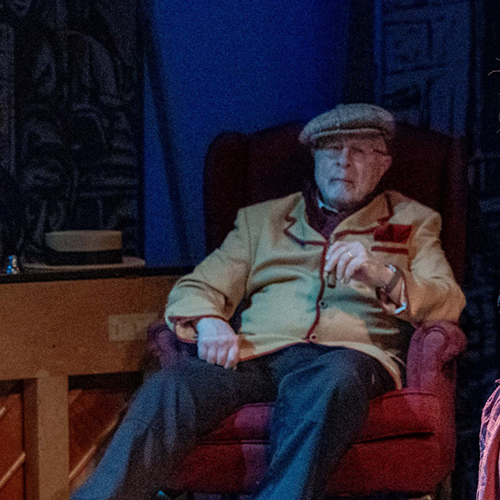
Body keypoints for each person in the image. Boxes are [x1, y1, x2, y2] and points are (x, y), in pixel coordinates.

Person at [71, 103, 466, 500]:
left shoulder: (414, 220)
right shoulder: (262, 221)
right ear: (316, 159)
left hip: (348, 357)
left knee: (332, 382)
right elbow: (198, 286)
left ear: (383, 164)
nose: (344, 162)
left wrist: (384, 275)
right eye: (332, 150)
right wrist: (210, 320)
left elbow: (448, 300)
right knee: (169, 387)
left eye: (360, 151)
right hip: (257, 354)